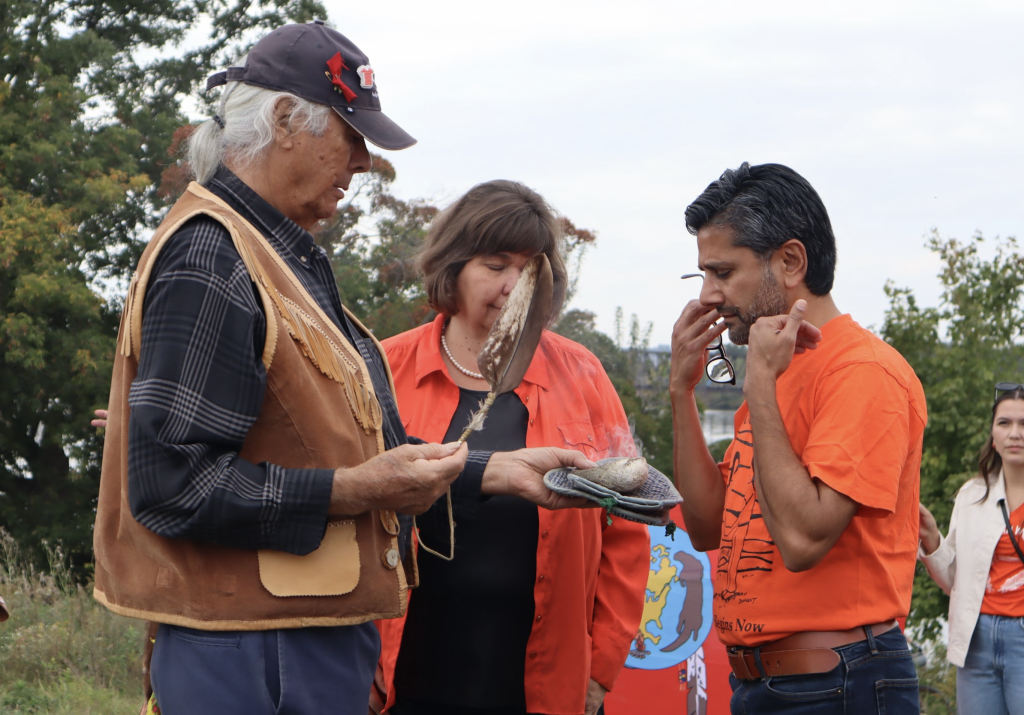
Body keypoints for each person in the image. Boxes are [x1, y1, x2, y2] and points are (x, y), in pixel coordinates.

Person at [92, 23, 592, 715]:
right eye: (351, 136)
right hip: (252, 652)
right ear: (285, 121)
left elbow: (334, 449)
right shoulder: (212, 258)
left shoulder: (277, 253)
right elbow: (173, 485)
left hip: (290, 643)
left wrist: (491, 471)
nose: (363, 162)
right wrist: (353, 490)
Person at [374, 180, 651, 715]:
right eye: (496, 265)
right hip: (403, 672)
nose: (513, 285)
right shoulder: (384, 369)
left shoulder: (582, 373)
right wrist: (357, 659)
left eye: (530, 270)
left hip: (542, 683)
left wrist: (600, 670)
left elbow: (627, 530)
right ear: (452, 267)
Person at [669, 162, 927, 714]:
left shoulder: (862, 371)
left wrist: (760, 382)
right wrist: (680, 391)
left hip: (837, 684)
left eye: (722, 272)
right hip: (766, 684)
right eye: (702, 276)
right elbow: (706, 527)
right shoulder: (780, 368)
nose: (709, 296)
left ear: (789, 262)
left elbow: (803, 541)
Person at [919, 383, 1024, 715]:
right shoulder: (972, 495)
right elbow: (954, 581)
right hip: (975, 637)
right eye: (1004, 423)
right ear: (993, 435)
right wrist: (932, 537)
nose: (1015, 433)